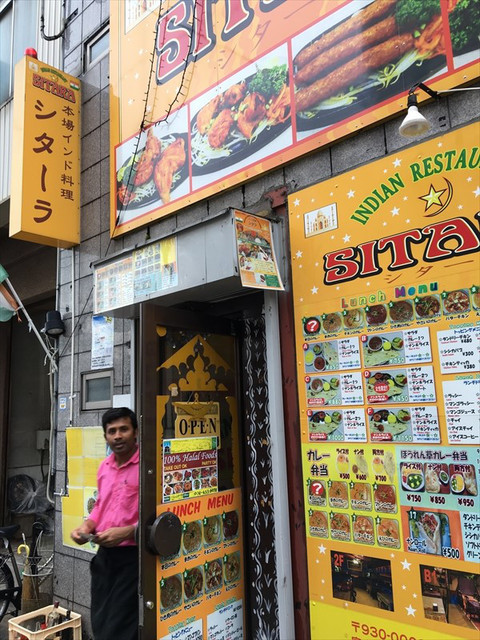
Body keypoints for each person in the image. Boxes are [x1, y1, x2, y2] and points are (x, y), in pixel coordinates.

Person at [71, 407, 139, 640]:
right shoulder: (104, 467)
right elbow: (101, 505)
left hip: (133, 559)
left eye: (123, 429)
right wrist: (86, 527)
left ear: (135, 432)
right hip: (104, 557)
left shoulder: (148, 467)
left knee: (119, 628)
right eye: (112, 431)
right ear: (105, 436)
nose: (118, 436)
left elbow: (162, 514)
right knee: (100, 620)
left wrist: (128, 532)